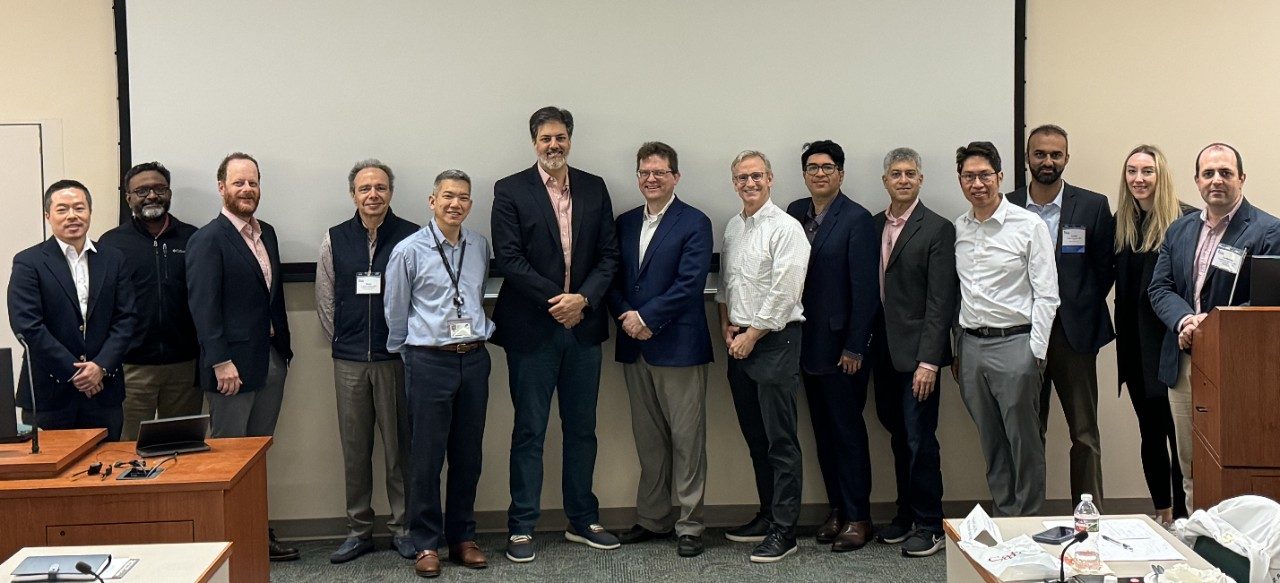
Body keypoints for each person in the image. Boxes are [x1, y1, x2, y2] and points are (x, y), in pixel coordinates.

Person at [490, 106, 621, 562]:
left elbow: (609, 255)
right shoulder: (509, 190)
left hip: (582, 329)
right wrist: (560, 300)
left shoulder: (594, 187)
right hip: (533, 330)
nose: (554, 145)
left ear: (570, 139)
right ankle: (522, 526)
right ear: (533, 142)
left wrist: (581, 300)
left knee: (582, 429)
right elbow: (509, 259)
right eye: (545, 138)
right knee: (529, 430)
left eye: (561, 137)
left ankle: (582, 519)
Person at [1149, 142, 1280, 512]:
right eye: (1209, 173)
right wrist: (1185, 320)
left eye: (1225, 172)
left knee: (1234, 456)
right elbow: (1160, 287)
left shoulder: (1269, 230)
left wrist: (1213, 322)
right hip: (1185, 361)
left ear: (1241, 178)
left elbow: (1268, 299)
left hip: (1239, 367)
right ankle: (1196, 535)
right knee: (1190, 461)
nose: (1217, 180)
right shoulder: (1179, 229)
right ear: (1197, 181)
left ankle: (1236, 549)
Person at [186, 152, 298, 561]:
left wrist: (283, 351)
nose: (247, 189)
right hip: (230, 368)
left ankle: (253, 534)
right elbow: (203, 307)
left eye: (252, 182)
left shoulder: (265, 232)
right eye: (238, 183)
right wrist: (219, 361)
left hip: (270, 358)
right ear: (222, 188)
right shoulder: (208, 239)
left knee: (257, 453)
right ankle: (227, 543)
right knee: (228, 456)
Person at [607, 142, 714, 558]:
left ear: (675, 177)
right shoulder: (624, 222)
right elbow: (612, 277)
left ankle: (690, 525)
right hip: (635, 345)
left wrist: (646, 317)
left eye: (660, 172)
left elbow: (690, 284)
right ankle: (653, 519)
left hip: (679, 346)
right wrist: (626, 316)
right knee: (649, 440)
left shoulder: (695, 222)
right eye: (644, 172)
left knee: (688, 441)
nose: (651, 179)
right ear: (637, 176)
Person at [386, 170, 493, 578]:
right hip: (429, 360)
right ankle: (426, 542)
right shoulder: (408, 251)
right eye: (448, 196)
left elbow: (477, 296)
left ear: (470, 204)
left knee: (468, 454)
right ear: (432, 201)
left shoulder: (479, 246)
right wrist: (411, 356)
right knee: (426, 457)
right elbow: (395, 313)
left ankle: (462, 537)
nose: (456, 204)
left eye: (463, 197)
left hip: (474, 359)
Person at [315, 159, 419, 563]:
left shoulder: (412, 236)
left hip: (396, 359)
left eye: (380, 187)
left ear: (390, 192)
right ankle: (358, 530)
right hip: (350, 362)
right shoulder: (334, 238)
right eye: (364, 188)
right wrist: (341, 340)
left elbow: (423, 294)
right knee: (355, 450)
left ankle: (403, 527)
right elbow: (325, 297)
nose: (372, 194)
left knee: (399, 449)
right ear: (353, 194)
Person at [1006, 124, 1115, 505]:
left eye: (1056, 154)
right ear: (1027, 158)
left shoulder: (1093, 206)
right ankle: (1029, 512)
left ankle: (1088, 516)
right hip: (1021, 335)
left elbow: (1104, 270)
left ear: (1066, 157)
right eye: (1040, 154)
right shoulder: (1008, 205)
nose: (1047, 161)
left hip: (1075, 335)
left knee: (1084, 432)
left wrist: (1077, 306)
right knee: (1028, 432)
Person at [952, 141, 1059, 517]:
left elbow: (1048, 295)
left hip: (1016, 345)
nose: (977, 183)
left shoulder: (1028, 225)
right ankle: (1003, 513)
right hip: (971, 347)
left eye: (984, 175)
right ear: (960, 181)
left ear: (999, 177)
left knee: (1023, 441)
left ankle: (1026, 520)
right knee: (991, 440)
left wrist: (1036, 353)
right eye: (969, 176)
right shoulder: (959, 229)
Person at [783, 140, 878, 552]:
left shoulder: (857, 219)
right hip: (804, 345)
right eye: (811, 167)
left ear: (841, 173)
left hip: (843, 351)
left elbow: (866, 291)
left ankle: (859, 516)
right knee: (821, 432)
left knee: (848, 432)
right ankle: (837, 509)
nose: (819, 173)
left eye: (827, 166)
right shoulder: (793, 213)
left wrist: (855, 347)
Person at [717, 150, 810, 563]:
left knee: (781, 441)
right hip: (738, 342)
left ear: (770, 179)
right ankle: (767, 514)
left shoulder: (786, 228)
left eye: (756, 176)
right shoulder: (734, 227)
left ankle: (785, 530)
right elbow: (725, 284)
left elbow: (785, 291)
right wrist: (726, 324)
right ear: (734, 183)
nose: (749, 183)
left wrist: (752, 335)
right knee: (756, 438)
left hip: (773, 341)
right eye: (741, 178)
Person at [871, 147, 958, 557]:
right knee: (897, 435)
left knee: (921, 439)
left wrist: (930, 361)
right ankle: (905, 514)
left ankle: (930, 523)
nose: (903, 180)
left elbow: (941, 302)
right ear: (885, 181)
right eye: (895, 174)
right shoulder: (873, 226)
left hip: (918, 358)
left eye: (910, 173)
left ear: (921, 179)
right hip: (883, 355)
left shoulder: (937, 228)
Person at [8, 180, 136, 441]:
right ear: (48, 215)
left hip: (104, 391)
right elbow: (28, 326)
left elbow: (127, 318)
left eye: (79, 208)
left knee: (104, 472)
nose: (72, 216)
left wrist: (100, 366)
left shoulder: (113, 259)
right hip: (50, 394)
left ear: (89, 211)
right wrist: (77, 372)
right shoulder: (29, 262)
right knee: (50, 478)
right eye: (62, 209)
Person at [1112, 145, 1196, 525]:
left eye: (1148, 171)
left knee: (1180, 441)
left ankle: (1183, 516)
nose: (1139, 179)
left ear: (1161, 176)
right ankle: (1162, 511)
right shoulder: (1122, 223)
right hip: (1133, 350)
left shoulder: (1187, 222)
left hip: (1171, 349)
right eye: (1132, 171)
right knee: (1150, 435)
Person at [99, 162, 201, 441]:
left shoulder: (194, 238)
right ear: (128, 197)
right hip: (131, 368)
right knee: (127, 449)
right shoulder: (110, 244)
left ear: (169, 193)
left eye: (159, 189)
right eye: (142, 190)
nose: (152, 196)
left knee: (181, 448)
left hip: (184, 367)